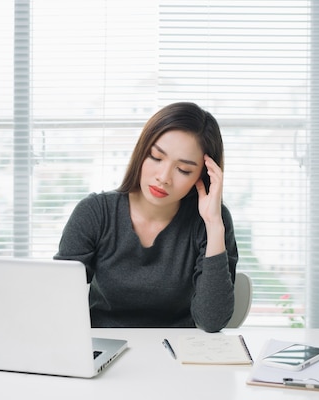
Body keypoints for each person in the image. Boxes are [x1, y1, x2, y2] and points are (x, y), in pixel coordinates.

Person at [54, 102, 238, 332]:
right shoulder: (95, 213)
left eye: (184, 170)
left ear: (202, 176)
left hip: (181, 354)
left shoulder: (212, 222)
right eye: (156, 157)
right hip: (103, 346)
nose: (163, 177)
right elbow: (58, 302)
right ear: (142, 152)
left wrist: (213, 225)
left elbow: (212, 321)